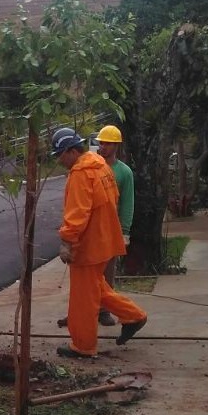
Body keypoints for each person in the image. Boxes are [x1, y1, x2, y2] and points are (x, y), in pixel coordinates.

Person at [51, 127, 147, 358]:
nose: (59, 160)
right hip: (103, 240)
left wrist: (67, 241)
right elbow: (112, 199)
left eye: (60, 155)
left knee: (84, 298)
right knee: (97, 287)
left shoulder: (82, 173)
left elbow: (77, 213)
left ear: (71, 151)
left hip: (89, 246)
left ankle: (83, 346)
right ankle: (134, 316)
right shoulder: (100, 166)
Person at [95, 124, 134, 326]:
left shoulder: (124, 172)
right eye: (101, 142)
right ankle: (85, 309)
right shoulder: (92, 167)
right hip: (93, 230)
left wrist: (125, 231)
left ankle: (104, 310)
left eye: (107, 143)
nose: (103, 146)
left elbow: (128, 202)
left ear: (116, 145)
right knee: (88, 274)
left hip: (111, 230)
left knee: (107, 273)